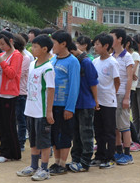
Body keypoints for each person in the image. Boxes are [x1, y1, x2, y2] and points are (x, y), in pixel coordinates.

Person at [16, 34, 55, 181]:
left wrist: (49, 111)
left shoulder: (48, 68)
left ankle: (44, 168)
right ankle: (33, 166)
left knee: (43, 141)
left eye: (35, 46)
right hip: (30, 109)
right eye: (32, 46)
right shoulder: (33, 64)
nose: (32, 49)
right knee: (33, 139)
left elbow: (51, 90)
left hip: (42, 111)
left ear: (44, 49)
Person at [49, 30, 80, 174]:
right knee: (54, 134)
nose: (52, 46)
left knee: (64, 134)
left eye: (54, 43)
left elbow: (74, 86)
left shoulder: (73, 61)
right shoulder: (53, 59)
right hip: (52, 104)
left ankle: (62, 164)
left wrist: (70, 108)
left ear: (63, 44)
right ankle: (56, 162)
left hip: (64, 105)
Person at [68, 38, 99, 172]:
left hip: (86, 103)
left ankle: (85, 161)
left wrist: (96, 101)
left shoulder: (86, 62)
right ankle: (76, 159)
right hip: (75, 103)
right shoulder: (74, 60)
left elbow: (93, 83)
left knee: (86, 133)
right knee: (76, 134)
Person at [0, 31, 23, 162]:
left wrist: (2, 62)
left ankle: (11, 153)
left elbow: (12, 73)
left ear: (11, 41)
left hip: (9, 94)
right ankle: (5, 152)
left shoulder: (16, 55)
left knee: (9, 124)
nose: (1, 46)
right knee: (1, 124)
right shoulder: (1, 54)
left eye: (3, 44)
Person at [91, 33, 120, 169]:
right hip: (97, 101)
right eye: (95, 44)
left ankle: (110, 158)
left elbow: (117, 81)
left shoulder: (112, 62)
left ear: (106, 46)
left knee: (109, 131)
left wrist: (111, 94)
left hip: (108, 101)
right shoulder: (95, 61)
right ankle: (99, 156)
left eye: (98, 44)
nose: (95, 47)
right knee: (98, 130)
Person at [109, 28, 135, 165]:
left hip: (122, 93)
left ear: (120, 39)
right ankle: (118, 151)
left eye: (112, 37)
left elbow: (129, 78)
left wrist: (126, 97)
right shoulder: (111, 56)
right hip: (112, 94)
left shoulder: (127, 57)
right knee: (115, 125)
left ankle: (127, 154)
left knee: (124, 125)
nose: (110, 40)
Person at [14, 33, 32, 152]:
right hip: (11, 92)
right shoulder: (10, 56)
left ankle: (21, 142)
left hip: (21, 92)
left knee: (21, 119)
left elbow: (17, 75)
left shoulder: (25, 58)